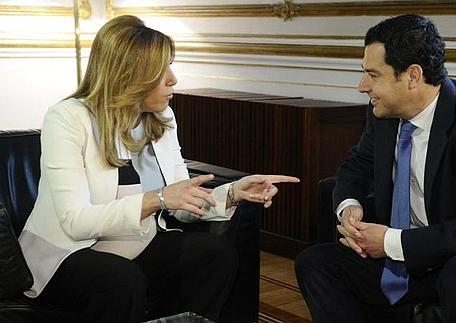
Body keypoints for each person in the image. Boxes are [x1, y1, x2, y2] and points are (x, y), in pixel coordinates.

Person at [17, 15, 299, 323]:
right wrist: (157, 199)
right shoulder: (68, 118)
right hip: (69, 252)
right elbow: (75, 221)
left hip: (136, 241)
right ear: (128, 74)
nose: (173, 78)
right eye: (161, 69)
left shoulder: (162, 118)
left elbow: (180, 201)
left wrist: (232, 193)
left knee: (214, 254)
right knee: (121, 281)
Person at [295, 14, 456, 323]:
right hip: (422, 253)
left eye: (373, 75)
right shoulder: (383, 112)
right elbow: (356, 166)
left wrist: (390, 242)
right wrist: (349, 207)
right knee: (316, 262)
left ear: (412, 76)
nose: (362, 86)